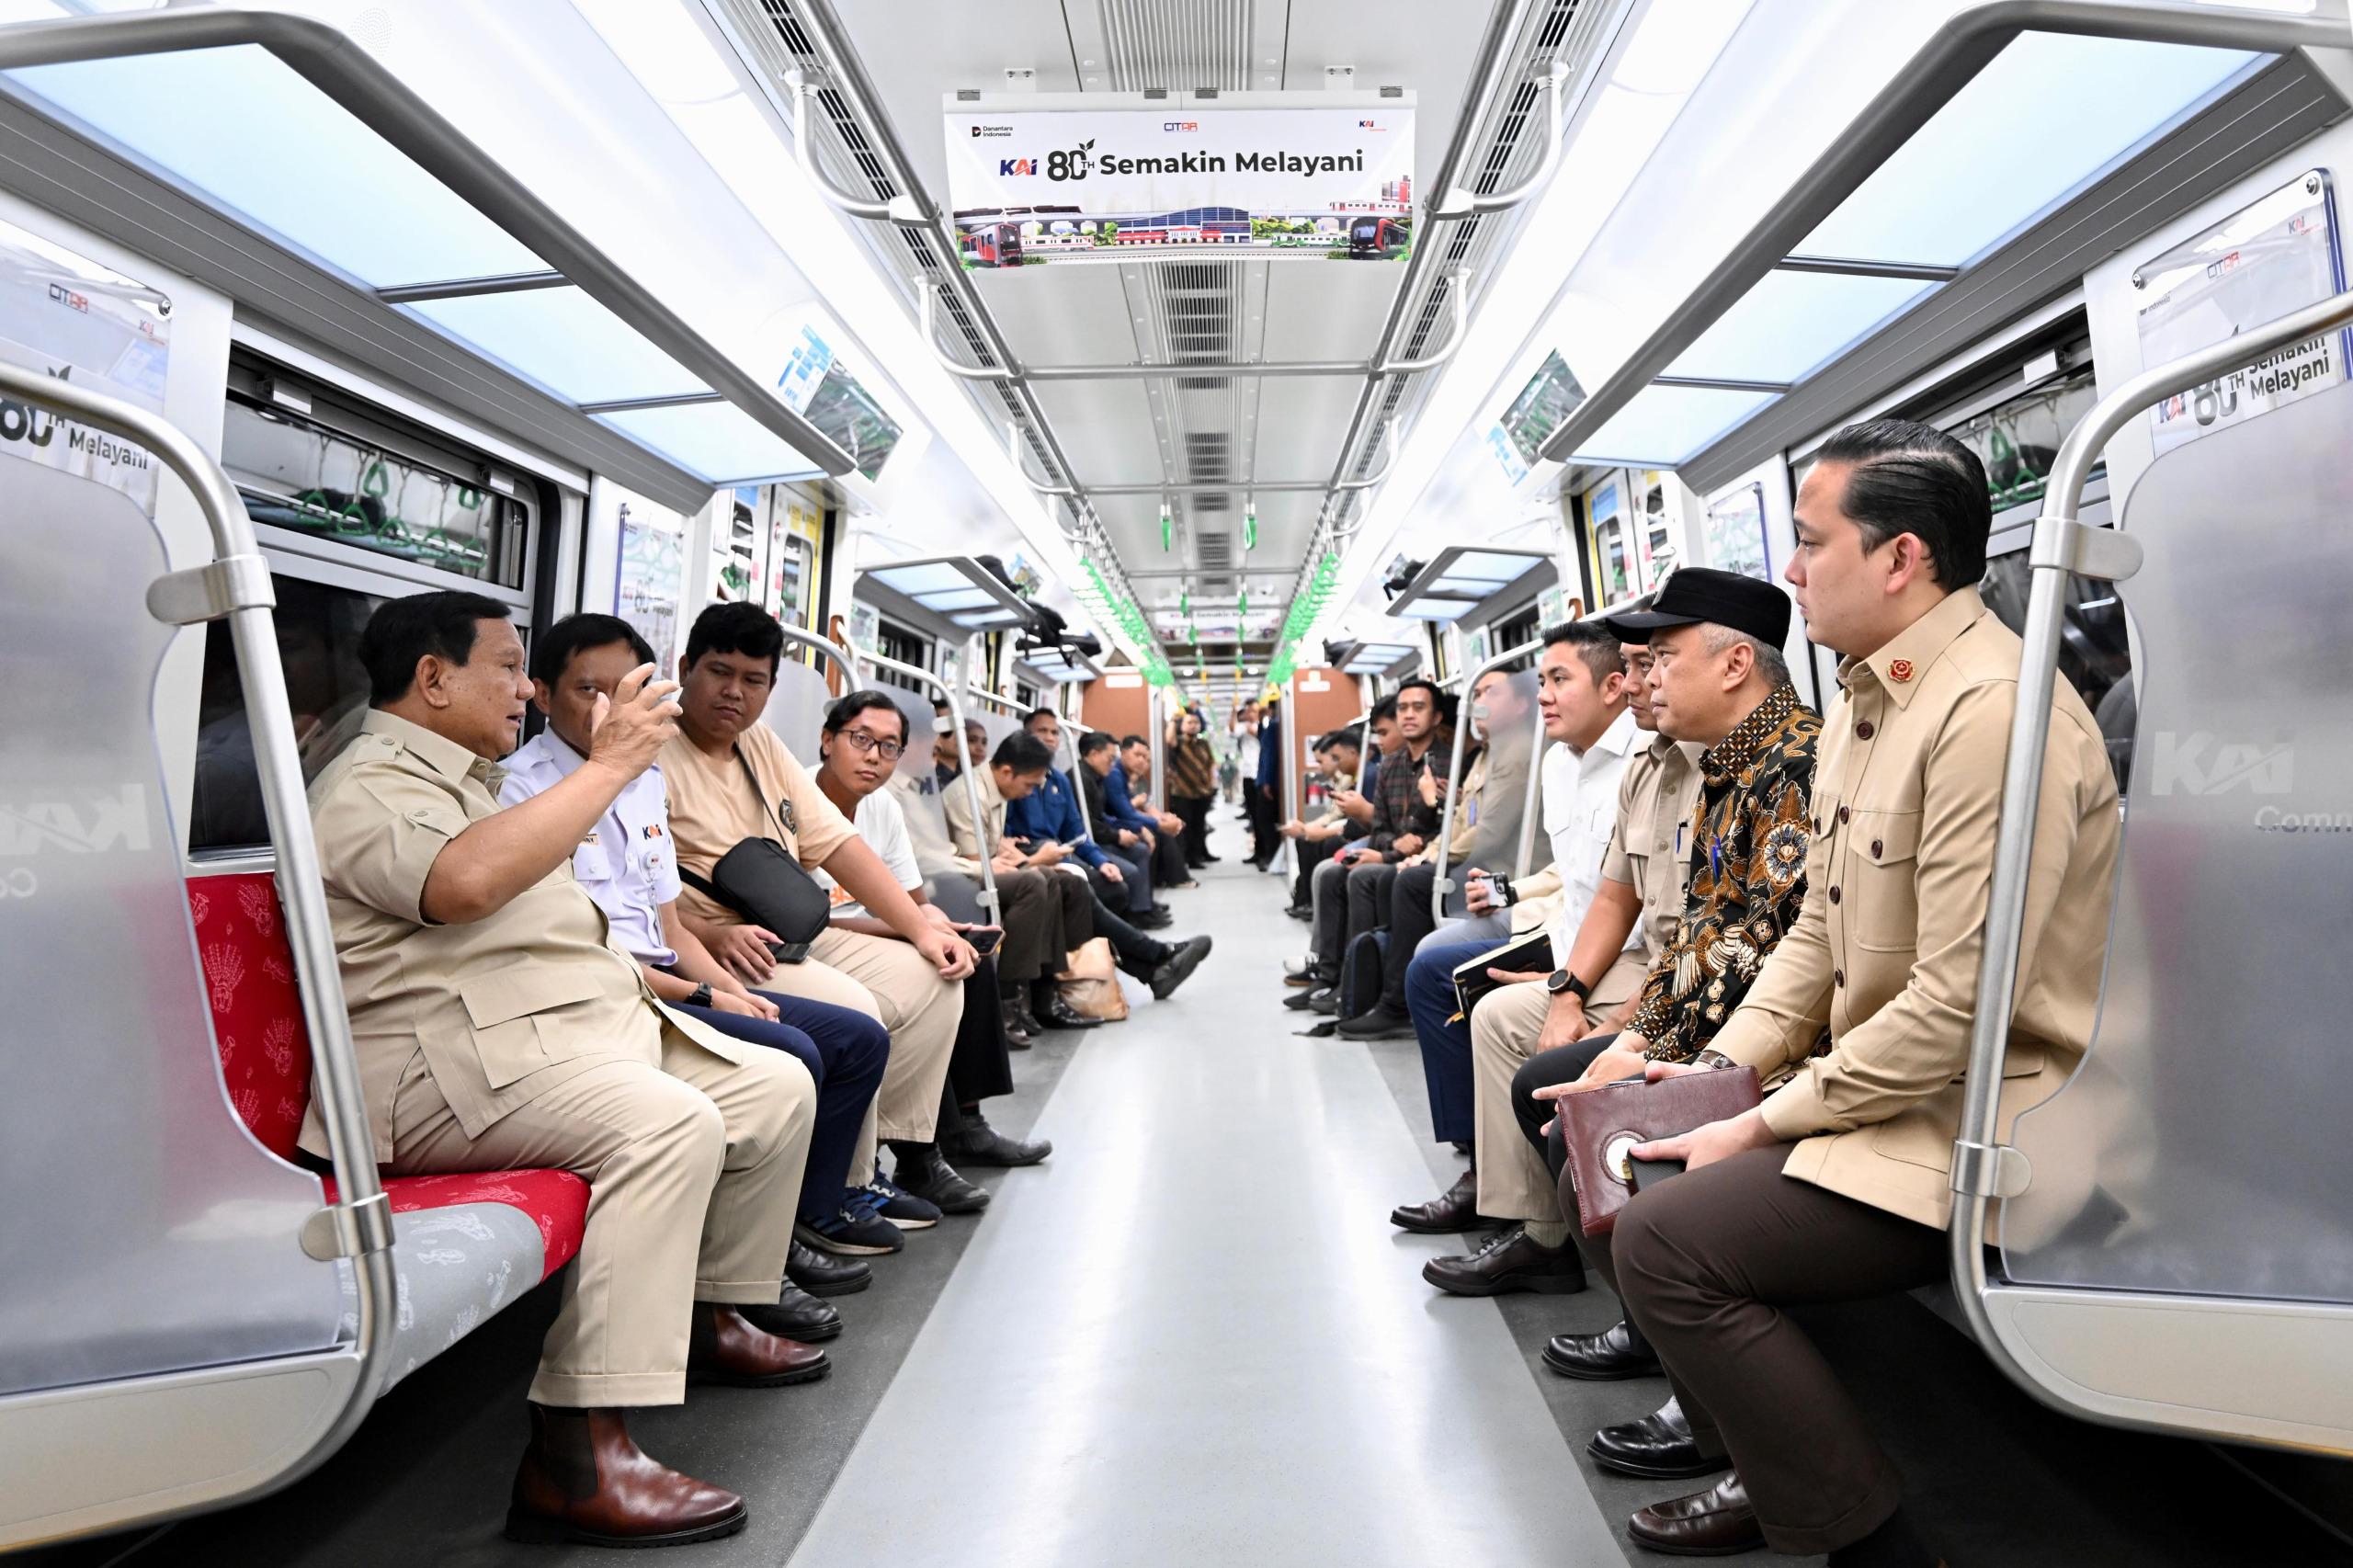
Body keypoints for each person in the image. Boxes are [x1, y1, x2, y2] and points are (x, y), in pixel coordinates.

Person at [1575, 421, 2117, 1565]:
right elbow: (1818, 933)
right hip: (1892, 1092)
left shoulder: (1986, 714)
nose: (1790, 568)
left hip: (1995, 1115)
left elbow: (1957, 1006)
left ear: (1899, 557)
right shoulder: (1873, 705)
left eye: (1811, 541)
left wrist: (1761, 1119)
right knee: (1635, 1157)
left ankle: (1868, 1537)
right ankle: (1771, 1461)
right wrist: (1718, 1072)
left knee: (1667, 1240)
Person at [307, 591, 823, 1547]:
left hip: (547, 1033)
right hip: (442, 1066)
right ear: (433, 678)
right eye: (508, 668)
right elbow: (462, 885)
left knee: (775, 1086)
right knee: (668, 1123)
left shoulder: (469, 780)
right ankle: (576, 1452)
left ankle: (708, 1317)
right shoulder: (371, 783)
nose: (525, 691)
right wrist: (615, 762)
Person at [1425, 573, 1820, 1301]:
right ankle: (1642, 1308)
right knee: (1554, 1098)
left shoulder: (1793, 764)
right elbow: (1700, 931)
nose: (1647, 679)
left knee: (1575, 1113)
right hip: (1717, 1013)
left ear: (1735, 664)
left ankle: (1660, 1315)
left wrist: (1647, 1050)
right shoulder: (1727, 767)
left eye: (1662, 659)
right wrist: (1635, 1037)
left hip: (1767, 1035)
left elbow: (1759, 952)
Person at [501, 614, 895, 1303]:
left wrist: (727, 992)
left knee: (856, 1038)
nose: (607, 711)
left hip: (668, 975)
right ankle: (745, 1273)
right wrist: (704, 997)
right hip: (612, 991)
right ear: (543, 694)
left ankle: (806, 1216)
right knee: (793, 1051)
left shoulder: (644, 780)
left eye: (624, 693)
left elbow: (671, 929)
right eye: (588, 691)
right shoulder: (521, 791)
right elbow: (578, 951)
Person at [658, 603, 986, 1219]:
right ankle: (843, 1186)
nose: (734, 692)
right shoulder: (653, 750)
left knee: (935, 979)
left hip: (793, 928)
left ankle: (894, 1152)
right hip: (723, 943)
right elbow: (633, 886)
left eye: (753, 680)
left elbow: (838, 844)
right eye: (719, 672)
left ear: (771, 687)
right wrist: (706, 931)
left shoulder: (759, 745)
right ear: (685, 669)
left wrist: (922, 929)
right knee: (857, 1009)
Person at [1387, 622, 1646, 1255]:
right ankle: (1483, 1166)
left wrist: (1566, 982)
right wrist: (1513, 896)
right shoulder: (1558, 762)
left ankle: (1526, 1216)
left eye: (1559, 680)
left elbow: (1630, 900)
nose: (1545, 695)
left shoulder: (1644, 761)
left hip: (1617, 951)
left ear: (1612, 687)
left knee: (1475, 994)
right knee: (1435, 974)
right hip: (1566, 931)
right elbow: (1577, 875)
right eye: (1542, 681)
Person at [810, 690, 1048, 1171]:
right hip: (824, 934)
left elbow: (915, 900)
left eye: (889, 747)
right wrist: (909, 929)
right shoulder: (794, 798)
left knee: (969, 959)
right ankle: (922, 1155)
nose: (874, 757)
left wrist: (937, 923)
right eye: (861, 740)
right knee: (935, 973)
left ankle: (966, 1123)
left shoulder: (882, 807)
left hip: (881, 927)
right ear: (827, 740)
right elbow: (808, 915)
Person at [1338, 669, 1536, 1040]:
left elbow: (1488, 833)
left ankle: (1395, 1003)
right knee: (1395, 876)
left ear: (1520, 704)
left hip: (1501, 872)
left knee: (1410, 882)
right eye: (1476, 693)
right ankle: (1364, 987)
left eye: (1490, 693)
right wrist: (1428, 853)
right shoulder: (1488, 754)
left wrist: (1428, 858)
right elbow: (1460, 821)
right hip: (1475, 861)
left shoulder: (1517, 753)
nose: (1479, 702)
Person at [949, 732, 1214, 1006]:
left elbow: (1074, 830)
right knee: (1054, 883)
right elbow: (979, 864)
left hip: (1028, 857)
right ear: (1007, 772)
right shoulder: (973, 795)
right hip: (981, 874)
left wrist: (1100, 860)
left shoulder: (1042, 782)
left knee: (1081, 884)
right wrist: (1032, 860)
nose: (1029, 792)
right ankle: (1148, 961)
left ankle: (1140, 968)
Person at [1300, 679, 1449, 1011]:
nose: (1408, 715)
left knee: (1363, 876)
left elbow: (1444, 829)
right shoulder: (1390, 766)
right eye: (1403, 708)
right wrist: (1393, 846)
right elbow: (1380, 827)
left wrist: (1392, 852)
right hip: (1394, 851)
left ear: (1437, 717)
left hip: (1426, 858)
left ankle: (1363, 987)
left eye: (1418, 708)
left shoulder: (1449, 764)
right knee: (1334, 873)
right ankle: (1335, 975)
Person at [1005, 708, 1164, 926]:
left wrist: (1101, 861)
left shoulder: (1060, 781)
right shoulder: (1015, 778)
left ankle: (1128, 926)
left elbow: (1076, 830)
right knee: (1102, 884)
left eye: (1054, 732)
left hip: (1062, 848)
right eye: (1042, 731)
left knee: (1116, 882)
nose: (1050, 738)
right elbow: (1006, 834)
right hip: (1032, 851)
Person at [1114, 733, 1193, 891]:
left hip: (1138, 819)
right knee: (1160, 835)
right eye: (1138, 756)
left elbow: (1148, 806)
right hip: (1123, 823)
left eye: (1147, 759)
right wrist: (1156, 822)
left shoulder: (1141, 781)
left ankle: (1172, 876)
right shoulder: (1116, 777)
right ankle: (1175, 879)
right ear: (1123, 753)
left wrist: (1163, 818)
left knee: (1174, 828)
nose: (1143, 762)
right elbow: (1124, 810)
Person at [1166, 708, 1220, 867]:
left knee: (1199, 825)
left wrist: (1211, 784)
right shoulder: (1178, 742)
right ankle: (1189, 858)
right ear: (1182, 725)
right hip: (1182, 792)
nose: (1193, 725)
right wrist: (1173, 721)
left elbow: (1211, 763)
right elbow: (1169, 740)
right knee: (1187, 827)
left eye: (1196, 722)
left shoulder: (1203, 743)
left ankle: (1200, 853)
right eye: (1189, 722)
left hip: (1202, 791)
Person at [1248, 699, 1284, 869]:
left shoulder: (1274, 726)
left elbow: (1269, 755)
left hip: (1268, 781)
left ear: (1270, 710)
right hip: (1272, 780)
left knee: (1264, 820)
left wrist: (1266, 782)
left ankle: (1271, 855)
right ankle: (1271, 854)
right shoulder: (1274, 725)